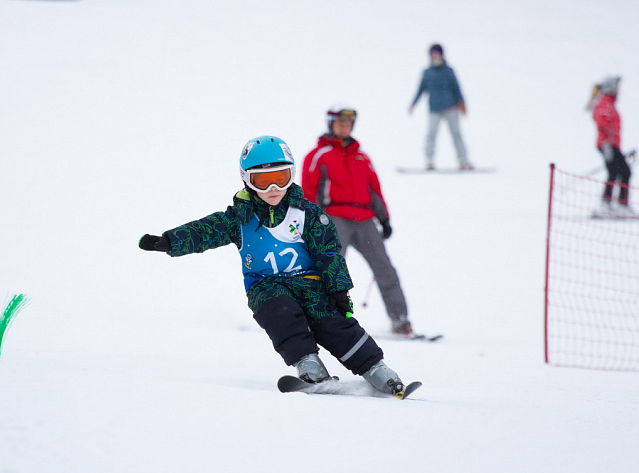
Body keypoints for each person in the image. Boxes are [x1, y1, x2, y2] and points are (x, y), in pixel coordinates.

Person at [138, 135, 408, 396]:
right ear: (247, 180)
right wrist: (169, 241)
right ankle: (309, 364)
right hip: (265, 286)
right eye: (263, 181)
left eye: (280, 178)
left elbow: (328, 253)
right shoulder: (239, 218)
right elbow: (205, 230)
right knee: (280, 313)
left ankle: (376, 368)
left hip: (310, 283)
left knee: (333, 321)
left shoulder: (306, 214)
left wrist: (338, 290)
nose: (273, 189)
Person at [301, 106, 413, 335]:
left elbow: (374, 190)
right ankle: (318, 317)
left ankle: (400, 319)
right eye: (340, 123)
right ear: (331, 124)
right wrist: (312, 221)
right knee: (330, 269)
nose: (344, 128)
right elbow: (309, 191)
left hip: (364, 220)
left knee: (384, 268)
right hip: (334, 219)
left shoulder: (362, 157)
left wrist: (384, 218)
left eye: (348, 124)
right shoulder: (319, 156)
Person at [409, 43, 473, 171]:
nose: (435, 56)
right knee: (431, 134)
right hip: (434, 109)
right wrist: (413, 103)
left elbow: (456, 88)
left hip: (451, 108)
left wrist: (462, 103)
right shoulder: (427, 73)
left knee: (456, 134)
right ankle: (429, 160)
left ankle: (463, 160)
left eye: (437, 53)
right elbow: (420, 89)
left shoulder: (448, 71)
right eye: (432, 54)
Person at [587, 76, 634, 215]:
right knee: (622, 171)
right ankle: (614, 204)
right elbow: (602, 122)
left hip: (611, 145)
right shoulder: (605, 103)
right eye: (616, 87)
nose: (618, 90)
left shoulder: (608, 102)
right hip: (608, 145)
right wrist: (607, 143)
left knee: (618, 172)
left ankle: (614, 203)